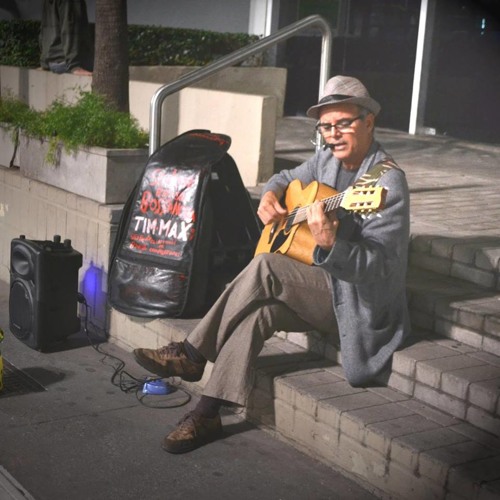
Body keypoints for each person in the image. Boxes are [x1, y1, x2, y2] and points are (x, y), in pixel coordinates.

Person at [133, 75, 411, 454]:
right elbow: (284, 177)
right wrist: (269, 195)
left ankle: (192, 353)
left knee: (266, 264)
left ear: (368, 121)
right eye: (326, 126)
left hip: (356, 303)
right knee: (255, 315)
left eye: (343, 123)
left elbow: (380, 267)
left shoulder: (386, 183)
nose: (333, 134)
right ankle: (207, 411)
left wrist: (331, 244)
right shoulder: (326, 160)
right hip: (318, 287)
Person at [40, 0, 94, 76]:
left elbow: (44, 30)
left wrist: (44, 62)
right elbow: (70, 31)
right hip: (66, 63)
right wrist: (74, 66)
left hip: (52, 61)